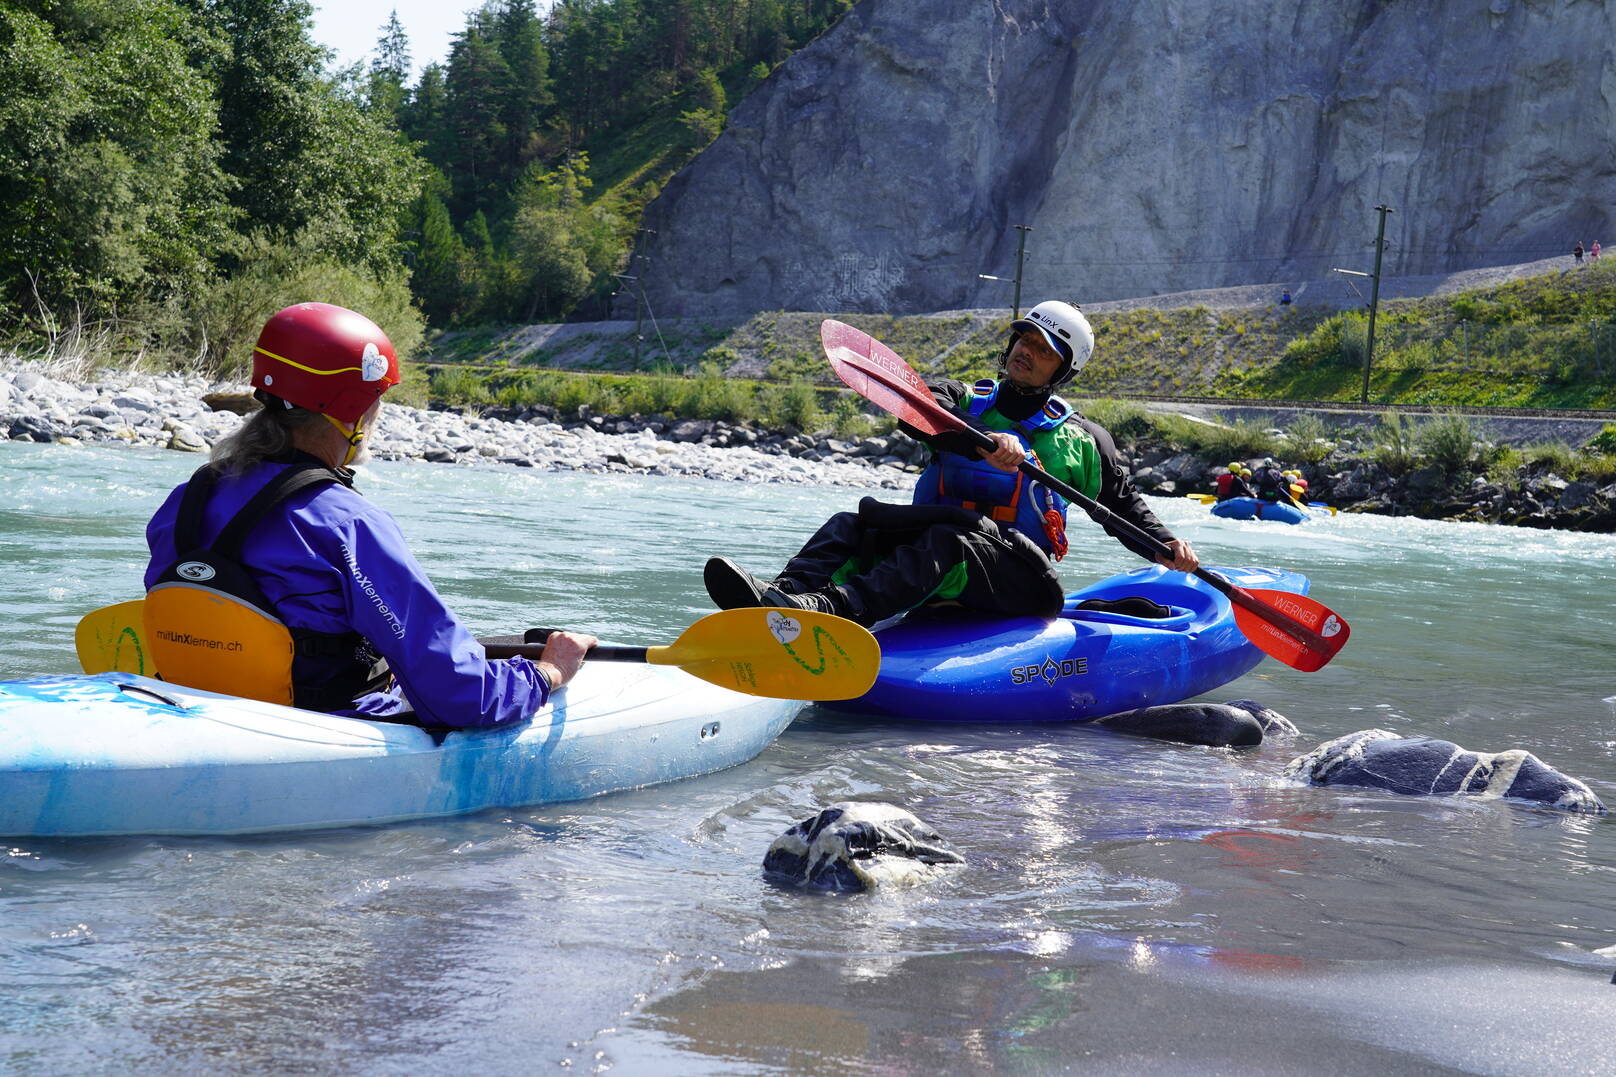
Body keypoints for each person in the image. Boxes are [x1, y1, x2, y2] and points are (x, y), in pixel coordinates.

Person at [142, 301, 596, 726]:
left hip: (198, 707)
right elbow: (464, 696)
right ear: (352, 413)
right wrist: (548, 672)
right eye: (376, 401)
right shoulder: (347, 524)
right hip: (314, 727)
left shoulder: (188, 498)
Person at [701, 300, 1199, 628]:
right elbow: (916, 417)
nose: (1025, 352)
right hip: (939, 558)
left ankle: (832, 610)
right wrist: (982, 440)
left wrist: (1166, 547)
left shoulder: (1082, 441)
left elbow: (1121, 507)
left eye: (1042, 351)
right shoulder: (957, 399)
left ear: (1062, 371)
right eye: (1023, 340)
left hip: (1022, 583)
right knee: (851, 525)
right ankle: (779, 601)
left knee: (951, 540)